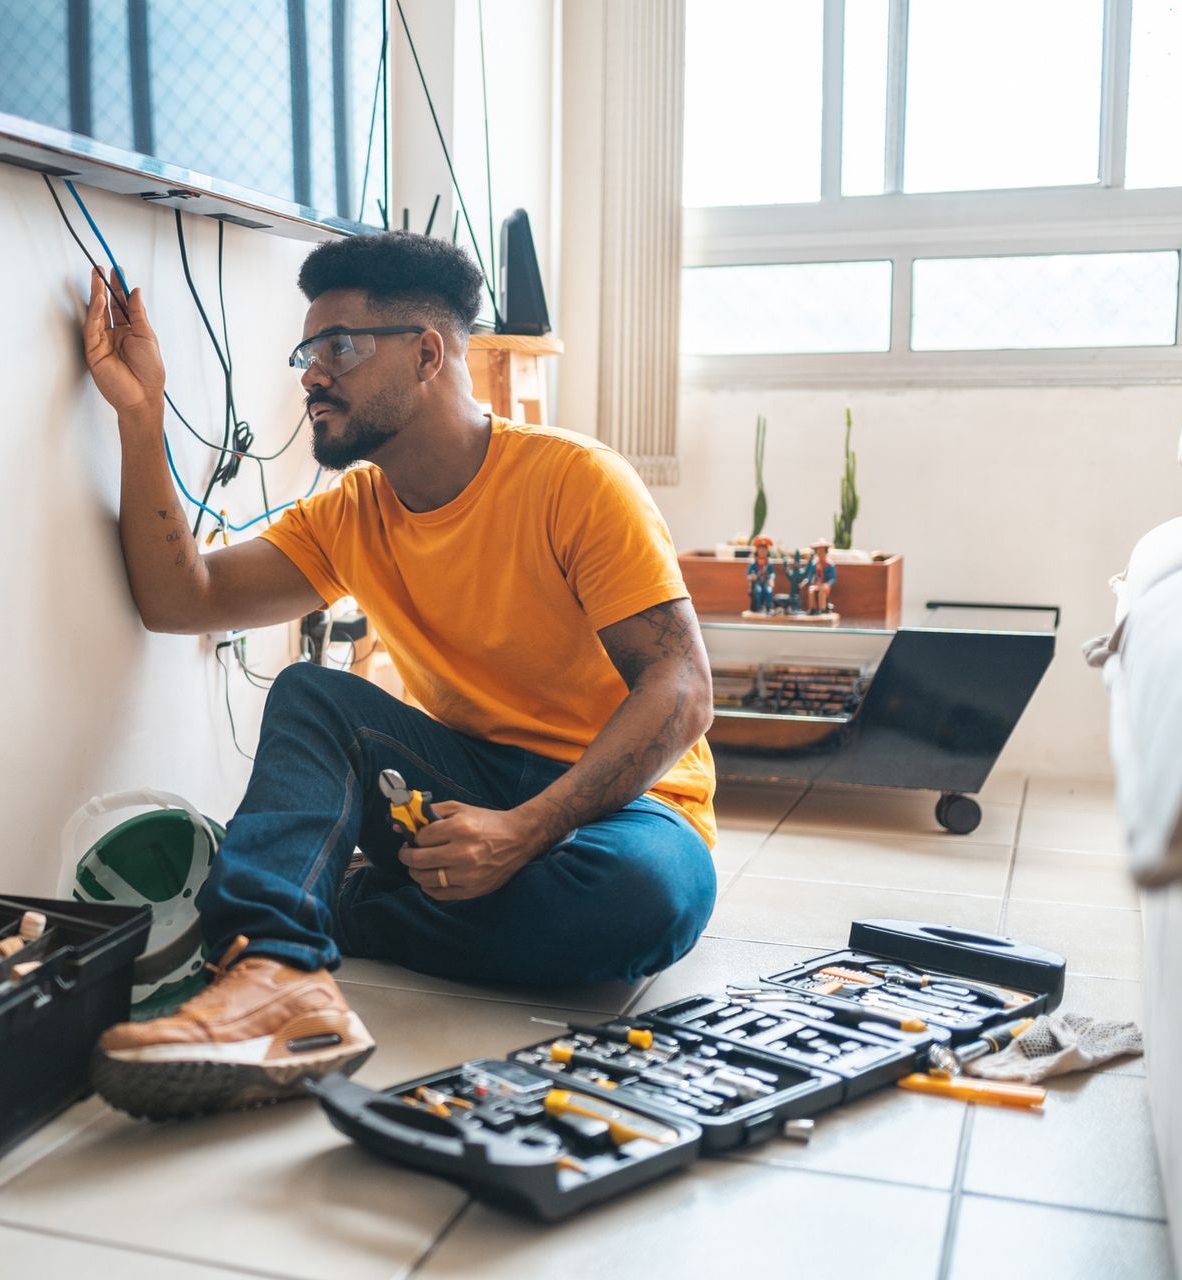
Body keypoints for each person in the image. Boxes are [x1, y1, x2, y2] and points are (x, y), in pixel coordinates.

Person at [77, 231, 718, 1120]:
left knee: (645, 902)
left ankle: (321, 888)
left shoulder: (575, 482)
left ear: (427, 353)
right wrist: (141, 417)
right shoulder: (349, 514)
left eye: (339, 347)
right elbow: (180, 598)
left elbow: (682, 691)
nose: (311, 376)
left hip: (625, 806)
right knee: (312, 694)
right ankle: (275, 971)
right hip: (454, 782)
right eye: (307, 352)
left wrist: (524, 832)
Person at [746, 535, 777, 614]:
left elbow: (772, 573)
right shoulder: (753, 563)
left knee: (768, 591)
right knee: (758, 591)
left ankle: (769, 607)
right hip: (757, 583)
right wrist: (751, 577)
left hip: (766, 582)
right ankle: (758, 608)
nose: (763, 552)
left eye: (765, 550)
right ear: (757, 551)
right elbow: (748, 575)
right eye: (761, 550)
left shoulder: (769, 563)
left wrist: (771, 579)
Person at [804, 541, 837, 615]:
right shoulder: (814, 564)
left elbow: (832, 578)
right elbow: (810, 575)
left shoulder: (830, 564)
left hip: (825, 584)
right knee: (811, 590)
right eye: (818, 552)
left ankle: (822, 609)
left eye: (822, 552)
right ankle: (812, 608)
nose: (820, 554)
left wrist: (827, 584)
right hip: (817, 583)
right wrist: (807, 581)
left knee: (822, 590)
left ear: (826, 552)